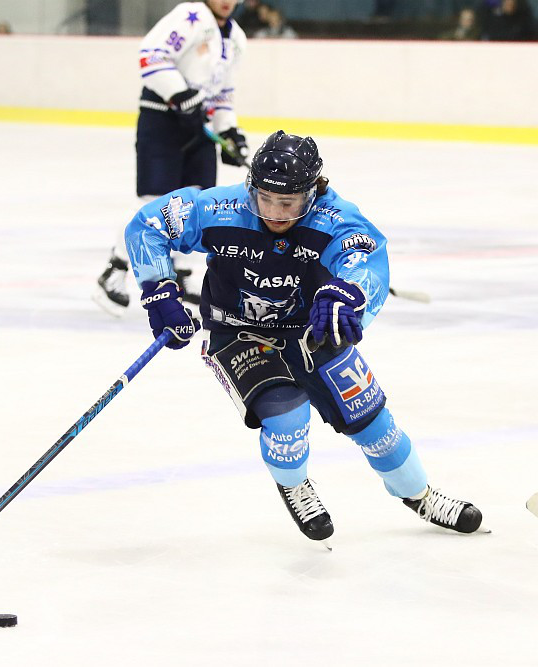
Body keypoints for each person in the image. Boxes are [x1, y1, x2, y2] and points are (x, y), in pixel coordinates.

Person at [124, 130, 485, 543]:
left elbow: (364, 256)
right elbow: (147, 225)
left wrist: (346, 293)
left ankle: (420, 495)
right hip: (238, 331)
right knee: (287, 417)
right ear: (251, 187)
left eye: (289, 202)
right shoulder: (218, 207)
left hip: (313, 327)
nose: (276, 211)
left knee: (374, 426)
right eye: (267, 199)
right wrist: (159, 290)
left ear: (313, 193)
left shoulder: (335, 217)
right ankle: (295, 485)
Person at [94, 0, 248, 317]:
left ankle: (185, 278)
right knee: (154, 202)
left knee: (200, 203)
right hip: (162, 120)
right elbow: (151, 56)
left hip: (198, 127)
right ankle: (115, 270)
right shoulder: (189, 17)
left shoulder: (235, 38)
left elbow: (222, 92)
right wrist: (180, 94)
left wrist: (229, 131)